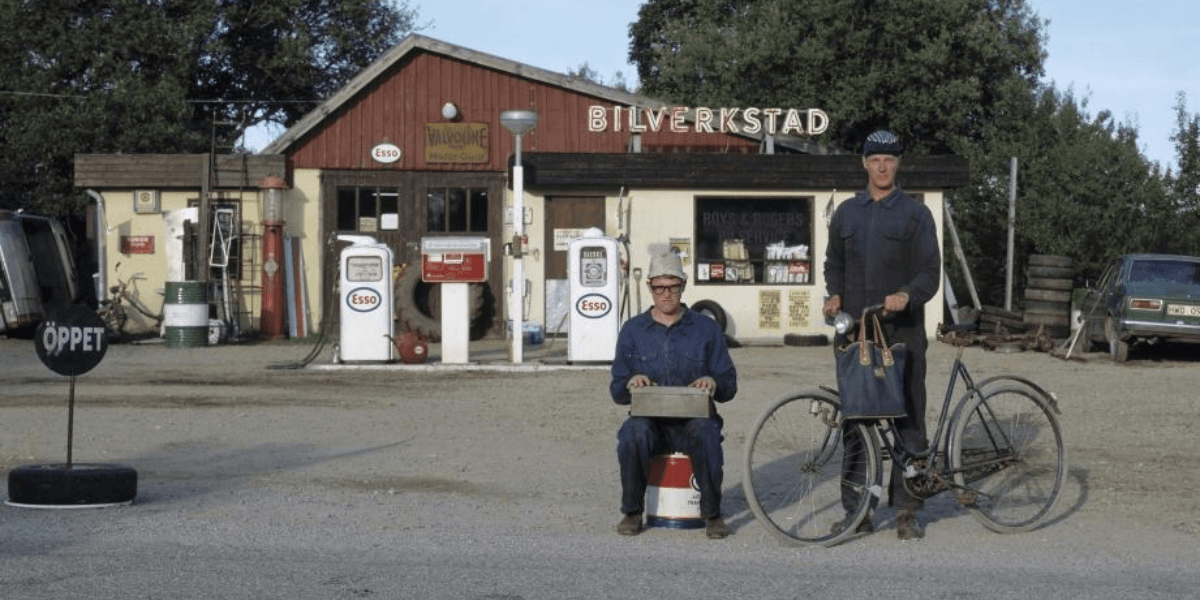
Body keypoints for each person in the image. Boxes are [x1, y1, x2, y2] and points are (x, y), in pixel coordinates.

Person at [822, 129, 941, 540]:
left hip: (901, 335)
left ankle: (908, 511)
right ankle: (858, 511)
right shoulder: (846, 214)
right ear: (864, 163)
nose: (882, 166)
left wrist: (906, 295)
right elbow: (833, 262)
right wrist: (834, 294)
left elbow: (930, 273)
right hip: (857, 336)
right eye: (875, 159)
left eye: (889, 159)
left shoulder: (915, 214)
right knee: (856, 424)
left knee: (907, 418)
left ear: (898, 164)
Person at [610, 250, 737, 539]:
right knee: (632, 435)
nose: (666, 294)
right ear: (650, 288)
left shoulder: (706, 329)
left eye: (673, 287)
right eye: (659, 288)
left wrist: (713, 381)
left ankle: (713, 515)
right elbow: (616, 390)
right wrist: (631, 382)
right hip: (650, 421)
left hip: (694, 421)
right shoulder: (632, 331)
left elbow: (730, 385)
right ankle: (631, 512)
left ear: (683, 285)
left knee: (706, 434)